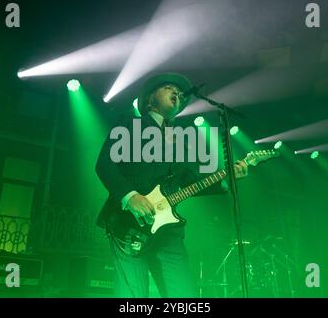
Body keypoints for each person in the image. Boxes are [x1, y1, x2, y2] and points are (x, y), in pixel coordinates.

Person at [95, 73, 248, 297]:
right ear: (150, 100)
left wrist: (226, 179)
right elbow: (105, 164)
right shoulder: (131, 124)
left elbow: (188, 182)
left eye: (178, 92)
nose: (176, 93)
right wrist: (130, 196)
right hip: (128, 224)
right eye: (168, 88)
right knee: (133, 297)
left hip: (169, 232)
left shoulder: (179, 140)